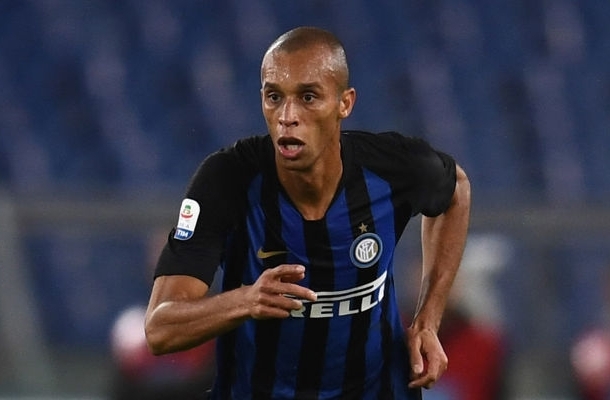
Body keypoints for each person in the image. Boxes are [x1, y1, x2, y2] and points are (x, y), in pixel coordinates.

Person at [145, 26, 471, 399]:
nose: (287, 116)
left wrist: (427, 320)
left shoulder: (391, 169)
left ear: (345, 103)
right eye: (274, 97)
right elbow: (160, 329)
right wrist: (244, 300)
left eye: (308, 97)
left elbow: (456, 190)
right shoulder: (227, 181)